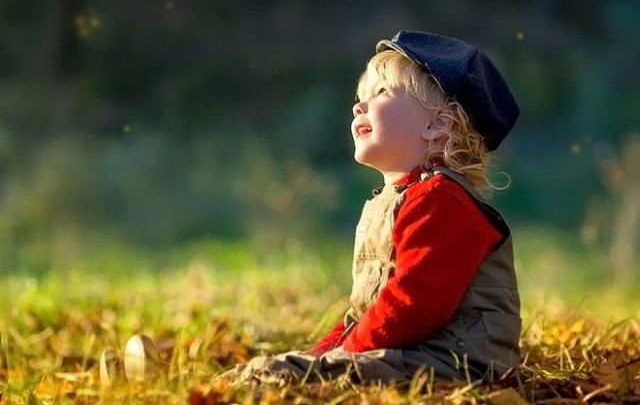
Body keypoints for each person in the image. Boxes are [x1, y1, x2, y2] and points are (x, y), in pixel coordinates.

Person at [100, 30, 521, 390]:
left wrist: (339, 357)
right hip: (416, 354)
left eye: (380, 93)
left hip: (457, 366)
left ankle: (190, 389)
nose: (359, 106)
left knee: (291, 376)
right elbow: (366, 315)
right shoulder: (402, 199)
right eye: (360, 97)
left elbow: (415, 306)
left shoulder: (443, 202)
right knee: (299, 365)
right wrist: (322, 352)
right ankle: (194, 386)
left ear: (438, 126)